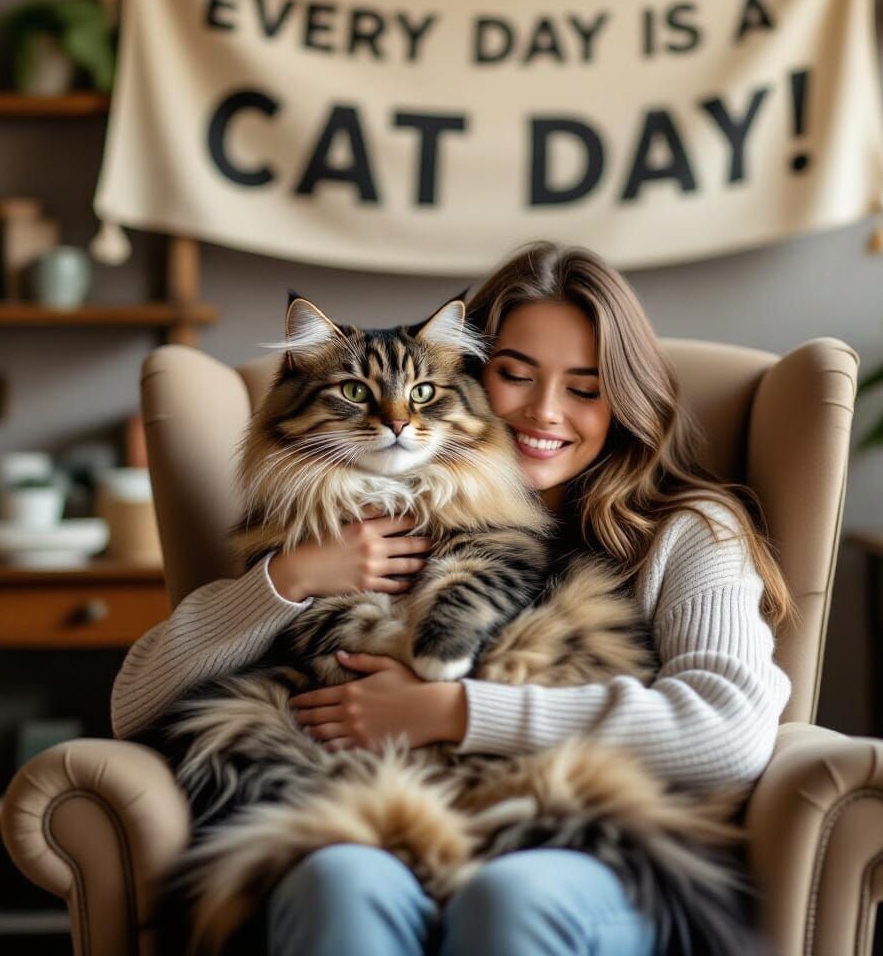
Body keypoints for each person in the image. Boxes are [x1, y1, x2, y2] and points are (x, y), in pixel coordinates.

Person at [110, 242, 792, 956]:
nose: (543, 412)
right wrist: (290, 578)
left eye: (584, 388)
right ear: (469, 369)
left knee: (510, 898)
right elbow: (135, 705)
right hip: (374, 816)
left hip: (574, 842)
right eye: (515, 375)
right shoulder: (347, 525)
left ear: (624, 399)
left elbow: (731, 731)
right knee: (336, 882)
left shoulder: (687, 533)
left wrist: (453, 712)